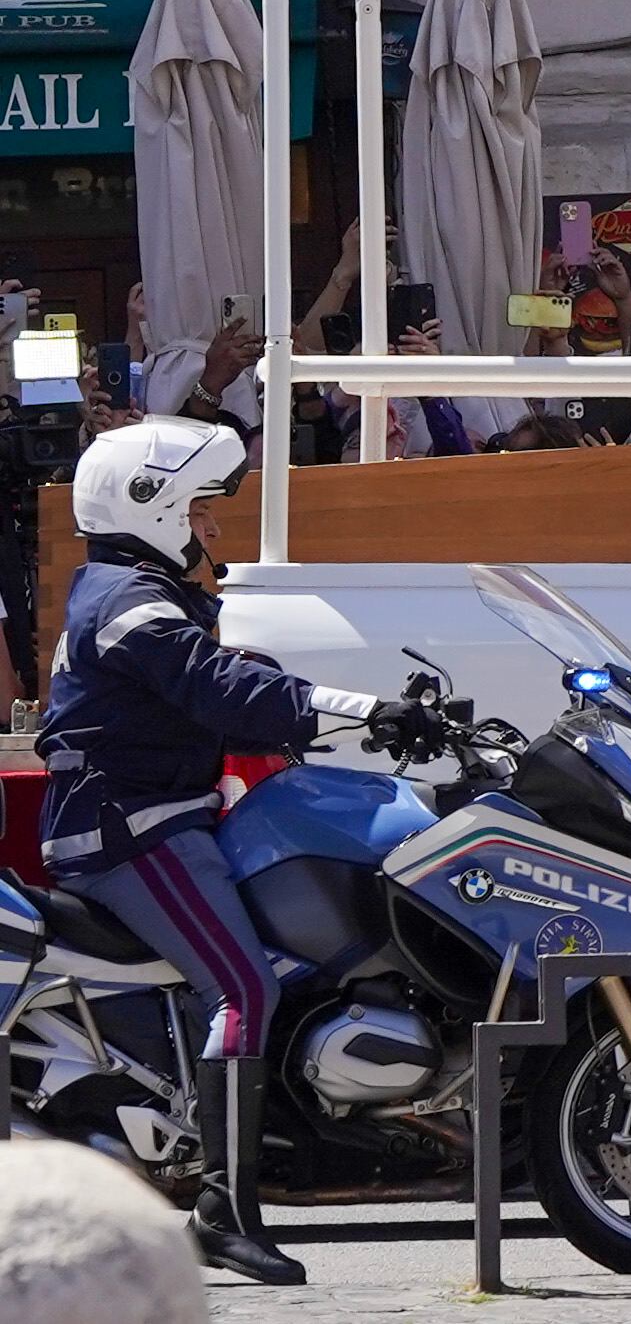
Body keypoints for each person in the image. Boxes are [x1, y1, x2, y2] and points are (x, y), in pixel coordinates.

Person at [38, 418, 432, 1284]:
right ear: (156, 506)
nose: (215, 528)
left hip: (160, 815)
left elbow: (230, 681)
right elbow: (223, 688)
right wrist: (366, 708)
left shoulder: (132, 590)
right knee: (243, 981)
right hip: (129, 829)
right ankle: (223, 1209)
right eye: (203, 511)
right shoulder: (128, 600)